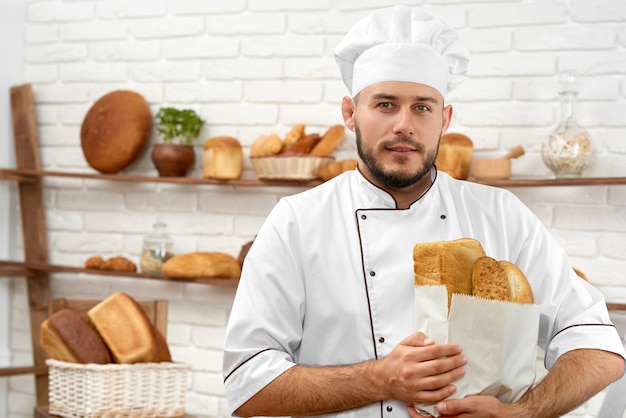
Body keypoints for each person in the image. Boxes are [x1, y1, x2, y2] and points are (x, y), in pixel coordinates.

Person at [223, 5, 625, 417]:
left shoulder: (501, 215)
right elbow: (247, 382)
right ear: (349, 113)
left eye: (422, 107)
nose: (404, 125)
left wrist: (522, 414)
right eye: (384, 105)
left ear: (444, 118)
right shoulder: (297, 221)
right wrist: (379, 378)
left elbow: (599, 347)